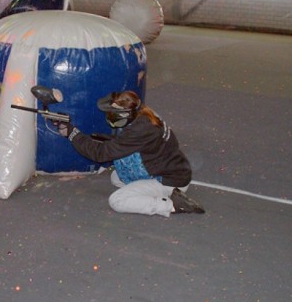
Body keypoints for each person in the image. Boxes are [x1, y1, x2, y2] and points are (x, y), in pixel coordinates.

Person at [56, 90, 205, 217]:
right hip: (171, 167)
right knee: (117, 178)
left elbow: (100, 154)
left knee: (117, 201)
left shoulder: (140, 129)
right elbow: (124, 143)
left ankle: (172, 205)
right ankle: (153, 192)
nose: (110, 118)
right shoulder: (143, 114)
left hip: (169, 180)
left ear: (125, 114)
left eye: (113, 116)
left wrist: (72, 134)